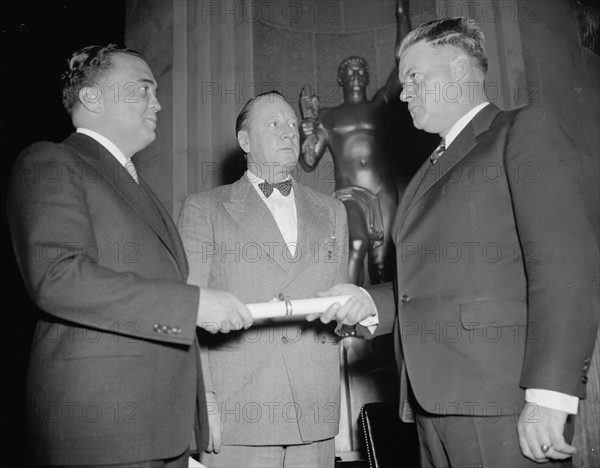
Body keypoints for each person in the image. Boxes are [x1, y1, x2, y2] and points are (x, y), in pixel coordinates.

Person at [315, 17, 599, 468]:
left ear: (461, 69)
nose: (403, 93)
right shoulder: (428, 167)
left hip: (502, 401)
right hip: (431, 406)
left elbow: (566, 266)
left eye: (414, 77)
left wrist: (550, 393)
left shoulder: (521, 131)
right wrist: (368, 301)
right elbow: (427, 286)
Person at [6, 44, 253, 467]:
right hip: (102, 433)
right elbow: (58, 277)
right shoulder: (51, 160)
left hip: (160, 433)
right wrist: (193, 304)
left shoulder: (137, 185)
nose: (157, 103)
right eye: (142, 89)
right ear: (92, 97)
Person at [177, 91, 355, 467]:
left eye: (292, 124)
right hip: (239, 414)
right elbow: (188, 314)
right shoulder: (205, 208)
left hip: (315, 415)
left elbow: (338, 315)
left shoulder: (333, 211)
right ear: (245, 141)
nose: (289, 132)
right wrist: (202, 403)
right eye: (274, 124)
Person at [299, 1, 412, 286]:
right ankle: (345, 319)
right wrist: (306, 133)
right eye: (350, 72)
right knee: (356, 243)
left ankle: (381, 327)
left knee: (383, 265)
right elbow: (309, 161)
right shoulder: (328, 116)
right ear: (340, 79)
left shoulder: (379, 106)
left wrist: (402, 15)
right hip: (349, 192)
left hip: (383, 189)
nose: (356, 75)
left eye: (361, 70)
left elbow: (404, 65)